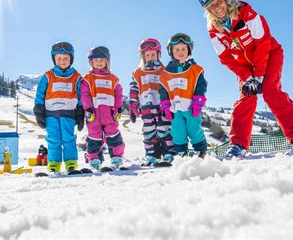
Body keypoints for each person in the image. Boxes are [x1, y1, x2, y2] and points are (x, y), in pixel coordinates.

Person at [198, 0, 293, 157]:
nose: (217, 8)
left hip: (270, 55)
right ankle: (237, 145)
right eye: (212, 7)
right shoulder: (214, 30)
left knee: (270, 92)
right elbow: (225, 58)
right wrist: (247, 77)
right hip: (245, 66)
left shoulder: (246, 13)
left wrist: (260, 75)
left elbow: (263, 42)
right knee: (247, 98)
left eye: (218, 2)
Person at [33, 41, 85, 174]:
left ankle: (71, 164)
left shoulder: (76, 77)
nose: (62, 61)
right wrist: (39, 110)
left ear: (71, 59)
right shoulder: (48, 76)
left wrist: (81, 111)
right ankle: (54, 165)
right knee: (53, 139)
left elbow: (81, 94)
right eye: (59, 58)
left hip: (68, 114)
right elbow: (40, 94)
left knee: (68, 139)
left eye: (66, 58)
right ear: (54, 59)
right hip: (51, 115)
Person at [158, 33, 208, 157]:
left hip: (191, 108)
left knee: (194, 130)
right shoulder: (165, 74)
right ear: (171, 51)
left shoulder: (195, 70)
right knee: (177, 131)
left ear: (189, 50)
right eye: (177, 49)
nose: (180, 52)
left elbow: (201, 85)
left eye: (184, 49)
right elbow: (163, 90)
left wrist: (198, 101)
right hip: (175, 110)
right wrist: (165, 105)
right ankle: (181, 152)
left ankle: (200, 151)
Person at [129, 38, 176, 166]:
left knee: (164, 129)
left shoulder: (164, 70)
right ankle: (151, 155)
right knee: (149, 132)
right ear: (142, 56)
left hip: (162, 107)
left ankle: (169, 153)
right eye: (147, 55)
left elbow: (170, 87)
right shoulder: (138, 72)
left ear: (158, 55)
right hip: (146, 108)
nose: (150, 57)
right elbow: (133, 90)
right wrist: (133, 106)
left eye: (153, 54)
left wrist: (172, 104)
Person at [81, 46, 125, 170]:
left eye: (102, 59)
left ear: (107, 61)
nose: (99, 62)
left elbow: (118, 94)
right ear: (91, 62)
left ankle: (116, 157)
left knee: (113, 135)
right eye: (96, 60)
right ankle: (94, 158)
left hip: (109, 114)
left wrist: (118, 109)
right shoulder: (87, 79)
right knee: (94, 136)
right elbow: (84, 94)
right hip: (94, 114)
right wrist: (88, 108)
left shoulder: (113, 79)